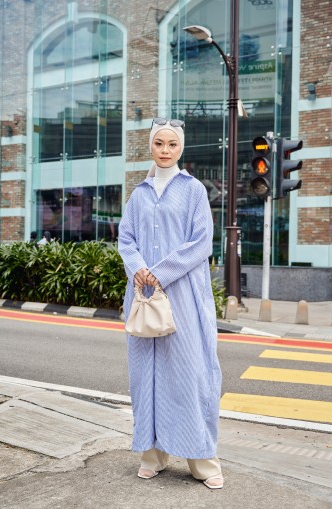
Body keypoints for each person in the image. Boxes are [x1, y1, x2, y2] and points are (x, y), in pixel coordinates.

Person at [118, 117, 223, 489]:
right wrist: (139, 268)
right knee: (147, 375)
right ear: (150, 146)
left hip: (183, 297)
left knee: (191, 373)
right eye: (159, 143)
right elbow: (125, 238)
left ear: (181, 148)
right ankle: (153, 453)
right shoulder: (139, 193)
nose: (165, 150)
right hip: (144, 296)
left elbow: (201, 242)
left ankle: (202, 461)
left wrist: (159, 271)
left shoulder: (193, 190)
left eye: (172, 144)